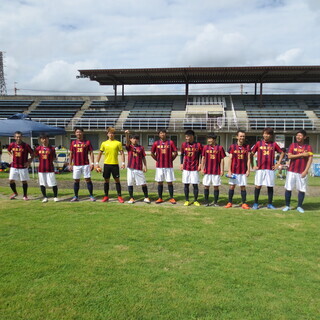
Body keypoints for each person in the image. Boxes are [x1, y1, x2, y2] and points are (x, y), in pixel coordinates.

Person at [251, 127, 284, 209]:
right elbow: (251, 154)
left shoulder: (274, 144)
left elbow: (282, 153)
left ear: (271, 135)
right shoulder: (258, 143)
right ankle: (255, 203)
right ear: (263, 134)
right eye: (265, 133)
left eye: (268, 134)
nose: (266, 135)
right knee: (258, 186)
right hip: (260, 169)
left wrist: (278, 163)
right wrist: (252, 165)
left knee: (270, 186)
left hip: (270, 169)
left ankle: (270, 204)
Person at [283, 130, 313, 213]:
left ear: (304, 137)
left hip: (302, 171)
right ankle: (287, 205)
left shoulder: (308, 147)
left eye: (300, 135)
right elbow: (289, 156)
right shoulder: (292, 145)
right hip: (291, 171)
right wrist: (302, 154)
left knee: (302, 189)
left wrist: (306, 171)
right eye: (297, 135)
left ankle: (299, 206)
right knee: (288, 188)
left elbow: (310, 159)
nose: (298, 137)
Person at [96, 127, 125, 203]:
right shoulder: (104, 143)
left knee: (117, 180)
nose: (111, 134)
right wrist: (96, 163)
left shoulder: (118, 143)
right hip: (107, 164)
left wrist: (123, 163)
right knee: (106, 181)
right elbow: (100, 153)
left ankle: (119, 196)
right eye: (110, 133)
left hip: (115, 164)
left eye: (112, 133)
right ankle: (106, 196)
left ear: (114, 134)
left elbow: (122, 153)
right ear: (107, 134)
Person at [224, 130, 251, 209]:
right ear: (237, 137)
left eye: (243, 136)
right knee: (232, 186)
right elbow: (230, 159)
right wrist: (229, 170)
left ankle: (244, 203)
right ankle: (229, 202)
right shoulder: (232, 147)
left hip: (243, 170)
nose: (242, 137)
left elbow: (248, 159)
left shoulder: (247, 147)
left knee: (243, 186)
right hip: (234, 170)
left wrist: (248, 170)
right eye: (240, 136)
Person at [151, 129, 178, 204]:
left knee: (169, 182)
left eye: (163, 133)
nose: (162, 134)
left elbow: (175, 152)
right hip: (159, 166)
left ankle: (171, 198)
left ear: (166, 134)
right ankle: (160, 198)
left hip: (168, 166)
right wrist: (157, 159)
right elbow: (152, 153)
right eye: (161, 133)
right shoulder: (156, 143)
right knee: (160, 182)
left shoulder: (170, 142)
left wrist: (171, 159)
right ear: (159, 135)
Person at [69, 127, 95, 202]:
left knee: (88, 179)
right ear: (75, 133)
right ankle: (76, 196)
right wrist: (70, 164)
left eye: (80, 132)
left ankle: (91, 195)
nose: (78, 133)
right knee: (76, 180)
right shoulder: (73, 143)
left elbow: (91, 153)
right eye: (77, 132)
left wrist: (92, 163)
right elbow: (71, 154)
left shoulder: (87, 142)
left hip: (85, 164)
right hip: (76, 165)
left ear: (82, 133)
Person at [124, 130, 150, 204]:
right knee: (130, 182)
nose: (134, 140)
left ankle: (146, 197)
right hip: (130, 168)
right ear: (130, 139)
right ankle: (131, 198)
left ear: (138, 139)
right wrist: (127, 135)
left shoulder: (141, 148)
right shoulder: (129, 147)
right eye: (133, 138)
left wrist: (145, 166)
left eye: (136, 138)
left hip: (138, 167)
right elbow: (127, 143)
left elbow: (143, 157)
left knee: (143, 182)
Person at [7, 131, 34, 200]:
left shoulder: (26, 145)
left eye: (19, 136)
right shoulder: (12, 144)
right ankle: (15, 193)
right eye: (17, 137)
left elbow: (32, 154)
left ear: (22, 137)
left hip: (23, 166)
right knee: (11, 180)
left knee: (24, 181)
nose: (18, 138)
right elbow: (8, 150)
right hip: (14, 166)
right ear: (14, 137)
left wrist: (29, 161)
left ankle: (25, 195)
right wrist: (11, 155)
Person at [201, 133, 226, 207]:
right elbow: (203, 158)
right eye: (208, 139)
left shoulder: (220, 148)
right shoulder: (205, 147)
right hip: (207, 170)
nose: (209, 140)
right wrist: (202, 168)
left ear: (214, 139)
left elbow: (222, 159)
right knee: (206, 186)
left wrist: (222, 170)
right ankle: (206, 201)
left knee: (216, 186)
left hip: (216, 171)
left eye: (210, 139)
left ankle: (215, 202)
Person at [180, 129, 202, 206]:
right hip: (186, 167)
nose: (186, 138)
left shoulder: (198, 145)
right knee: (186, 184)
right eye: (185, 137)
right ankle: (187, 200)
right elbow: (182, 154)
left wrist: (200, 164)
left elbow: (201, 155)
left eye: (187, 136)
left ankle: (195, 200)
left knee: (195, 184)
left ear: (192, 136)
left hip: (195, 167)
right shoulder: (183, 145)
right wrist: (181, 163)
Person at [34, 134, 58, 202]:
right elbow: (35, 156)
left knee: (53, 183)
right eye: (43, 138)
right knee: (42, 183)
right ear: (41, 140)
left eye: (46, 138)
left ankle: (55, 196)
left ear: (48, 139)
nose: (44, 140)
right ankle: (45, 197)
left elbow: (54, 157)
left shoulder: (52, 149)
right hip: (41, 169)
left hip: (50, 168)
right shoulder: (38, 148)